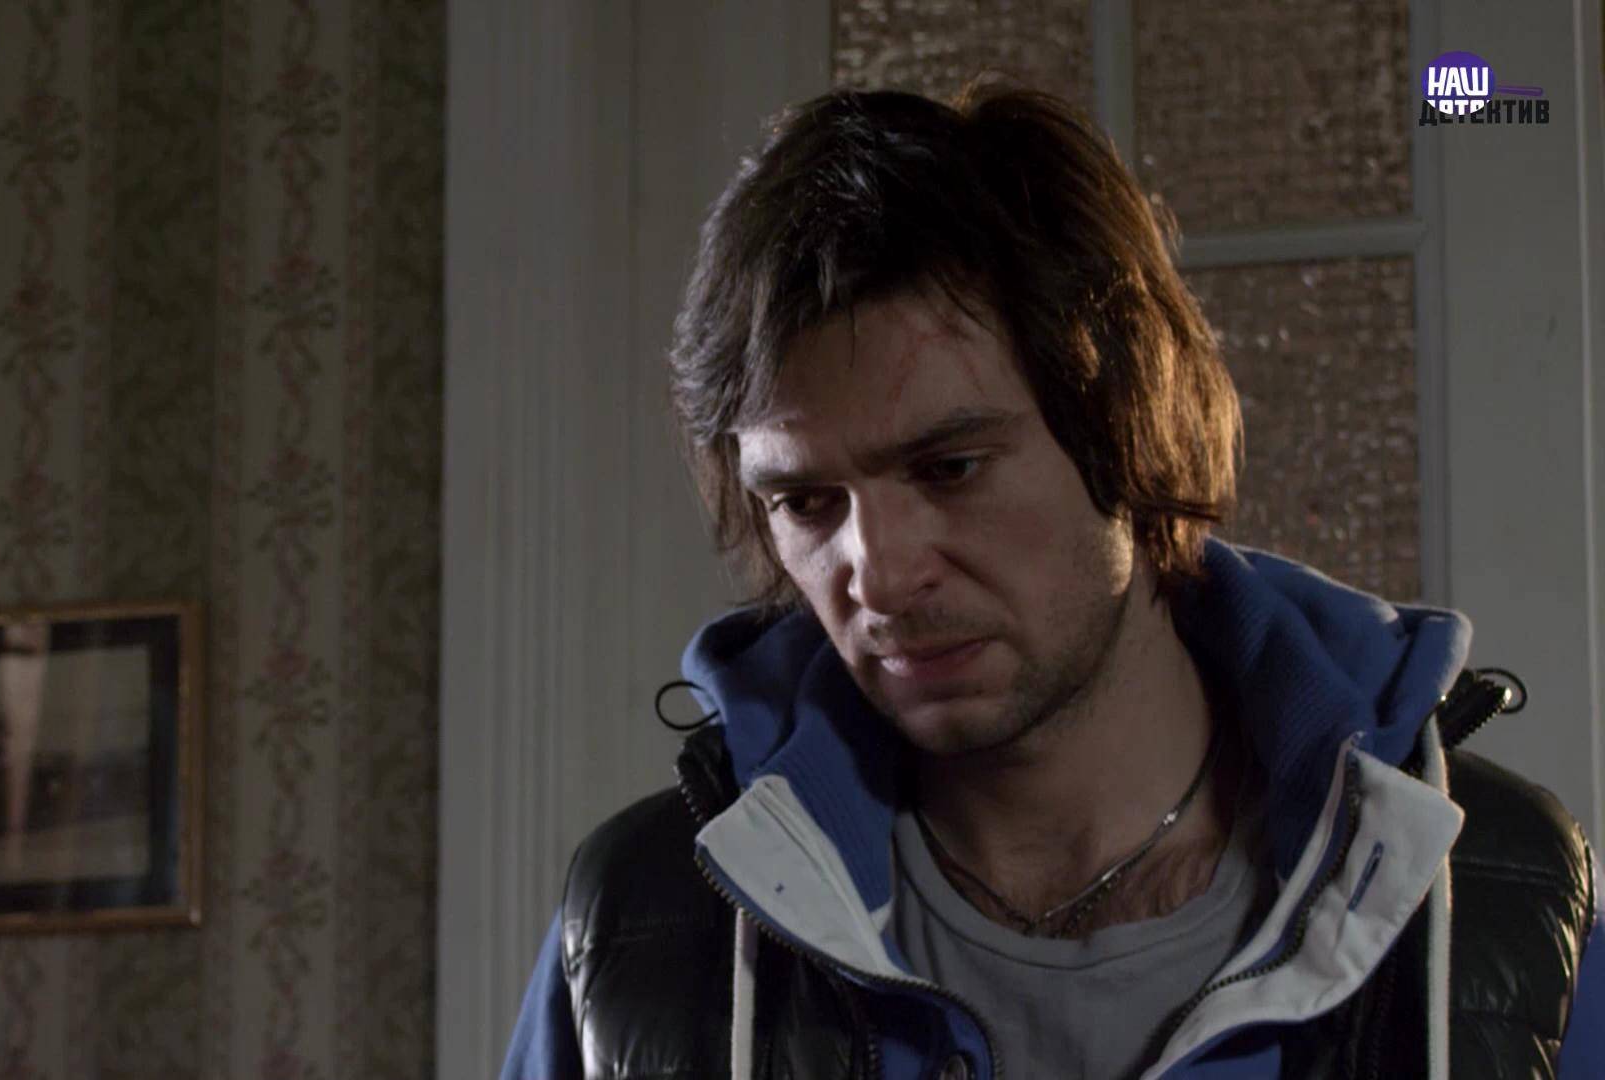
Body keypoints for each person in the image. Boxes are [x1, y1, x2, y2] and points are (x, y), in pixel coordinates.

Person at [499, 80, 1604, 1079]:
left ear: (1127, 432)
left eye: (950, 468)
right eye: (806, 502)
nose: (879, 575)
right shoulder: (648, 926)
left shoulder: (1496, 897)